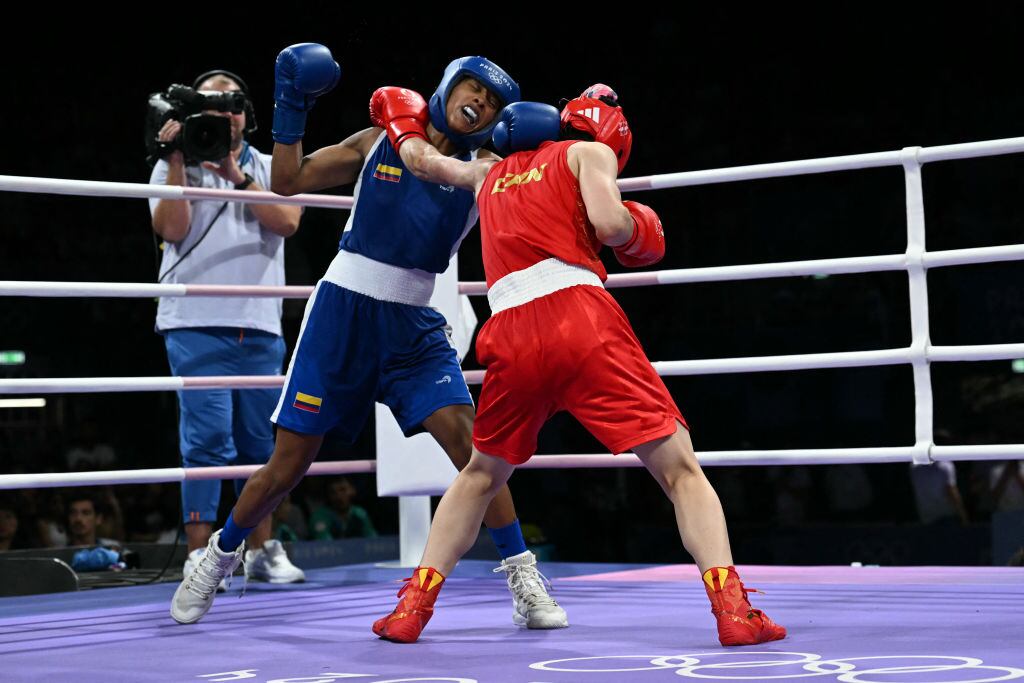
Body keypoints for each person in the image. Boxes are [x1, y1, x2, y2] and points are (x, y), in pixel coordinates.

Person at [370, 85, 788, 647]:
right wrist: (640, 227)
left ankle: (411, 610)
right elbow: (612, 226)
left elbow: (423, 161)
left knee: (479, 476)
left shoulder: (488, 175)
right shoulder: (585, 153)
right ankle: (733, 611)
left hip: (512, 326)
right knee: (681, 472)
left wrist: (403, 124)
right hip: (579, 316)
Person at [171, 45, 566, 630]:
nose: (479, 105)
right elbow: (287, 183)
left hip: (413, 326)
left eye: (492, 104)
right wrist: (292, 110)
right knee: (287, 465)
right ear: (447, 87)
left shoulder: (489, 172)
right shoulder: (375, 141)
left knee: (479, 451)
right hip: (341, 317)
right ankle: (219, 556)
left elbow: (545, 198)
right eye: (472, 91)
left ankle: (523, 574)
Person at [150, 69, 305, 590]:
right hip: (196, 322)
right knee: (207, 440)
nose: (225, 114)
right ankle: (200, 557)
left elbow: (288, 222)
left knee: (261, 444)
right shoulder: (171, 164)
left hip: (259, 324)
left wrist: (235, 173)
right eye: (213, 105)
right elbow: (172, 229)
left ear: (247, 115)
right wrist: (177, 159)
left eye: (234, 104)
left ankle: (260, 550)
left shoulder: (262, 165)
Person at [309, 478, 377, 539]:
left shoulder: (359, 513)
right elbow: (325, 544)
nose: (338, 496)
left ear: (352, 490)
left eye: (342, 490)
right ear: (328, 495)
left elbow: (372, 540)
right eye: (333, 492)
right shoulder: (320, 515)